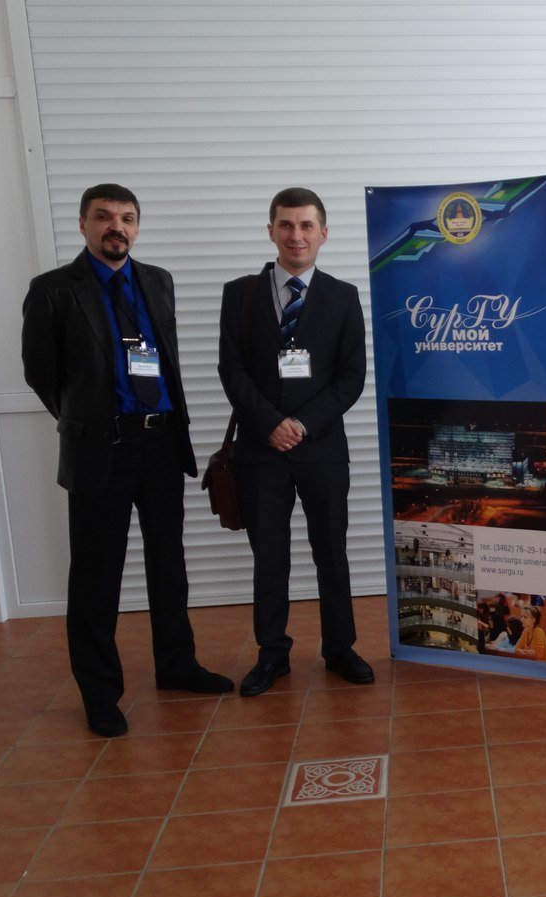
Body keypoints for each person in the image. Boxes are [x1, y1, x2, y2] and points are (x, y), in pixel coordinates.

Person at [21, 183, 233, 738]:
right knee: (97, 576)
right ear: (84, 224)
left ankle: (177, 664)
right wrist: (90, 423)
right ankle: (100, 693)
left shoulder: (157, 280)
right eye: (104, 217)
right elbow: (42, 374)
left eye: (127, 217)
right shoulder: (53, 290)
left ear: (137, 227)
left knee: (169, 564)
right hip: (102, 449)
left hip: (161, 442)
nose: (117, 226)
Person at [218, 187, 373, 696]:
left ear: (323, 233)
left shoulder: (343, 296)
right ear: (271, 231)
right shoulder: (239, 294)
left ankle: (340, 648)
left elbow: (351, 377)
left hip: (322, 449)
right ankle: (272, 654)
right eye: (286, 225)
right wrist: (271, 424)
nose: (296, 235)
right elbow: (232, 370)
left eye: (306, 225)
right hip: (261, 451)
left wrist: (302, 424)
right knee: (270, 557)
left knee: (331, 553)